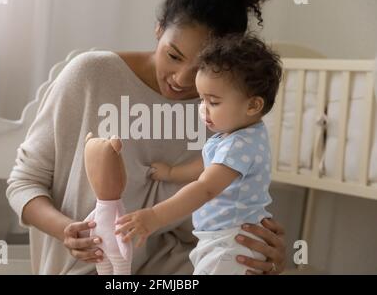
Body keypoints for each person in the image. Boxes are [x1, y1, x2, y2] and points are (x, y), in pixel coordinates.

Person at [6, 0, 286, 274]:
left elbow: (226, 200)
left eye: (200, 69)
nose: (181, 80)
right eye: (174, 56)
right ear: (159, 29)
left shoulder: (225, 110)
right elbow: (23, 183)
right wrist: (66, 231)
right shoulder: (91, 76)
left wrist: (265, 251)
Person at [115, 34, 282, 275]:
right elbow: (207, 167)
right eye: (202, 99)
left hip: (232, 243)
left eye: (213, 102)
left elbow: (205, 188)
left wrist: (155, 216)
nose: (203, 109)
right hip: (223, 239)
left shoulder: (240, 144)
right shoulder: (242, 136)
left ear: (253, 106)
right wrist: (172, 173)